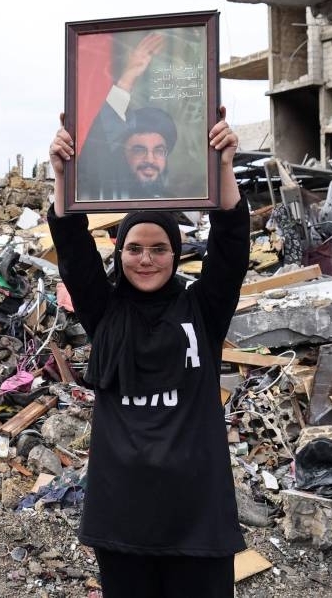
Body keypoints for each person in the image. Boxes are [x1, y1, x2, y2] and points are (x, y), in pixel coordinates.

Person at [47, 110, 249, 598]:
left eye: (159, 248)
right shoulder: (105, 311)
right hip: (122, 511)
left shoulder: (202, 307)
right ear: (120, 252)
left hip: (197, 509)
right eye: (135, 248)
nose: (146, 259)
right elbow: (73, 249)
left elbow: (231, 248)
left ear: (176, 254)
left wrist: (222, 166)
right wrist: (62, 175)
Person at [78, 33, 183, 201]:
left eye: (159, 151)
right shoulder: (104, 193)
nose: (150, 160)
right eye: (139, 150)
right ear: (122, 152)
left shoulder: (174, 201)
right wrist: (129, 76)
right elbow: (104, 130)